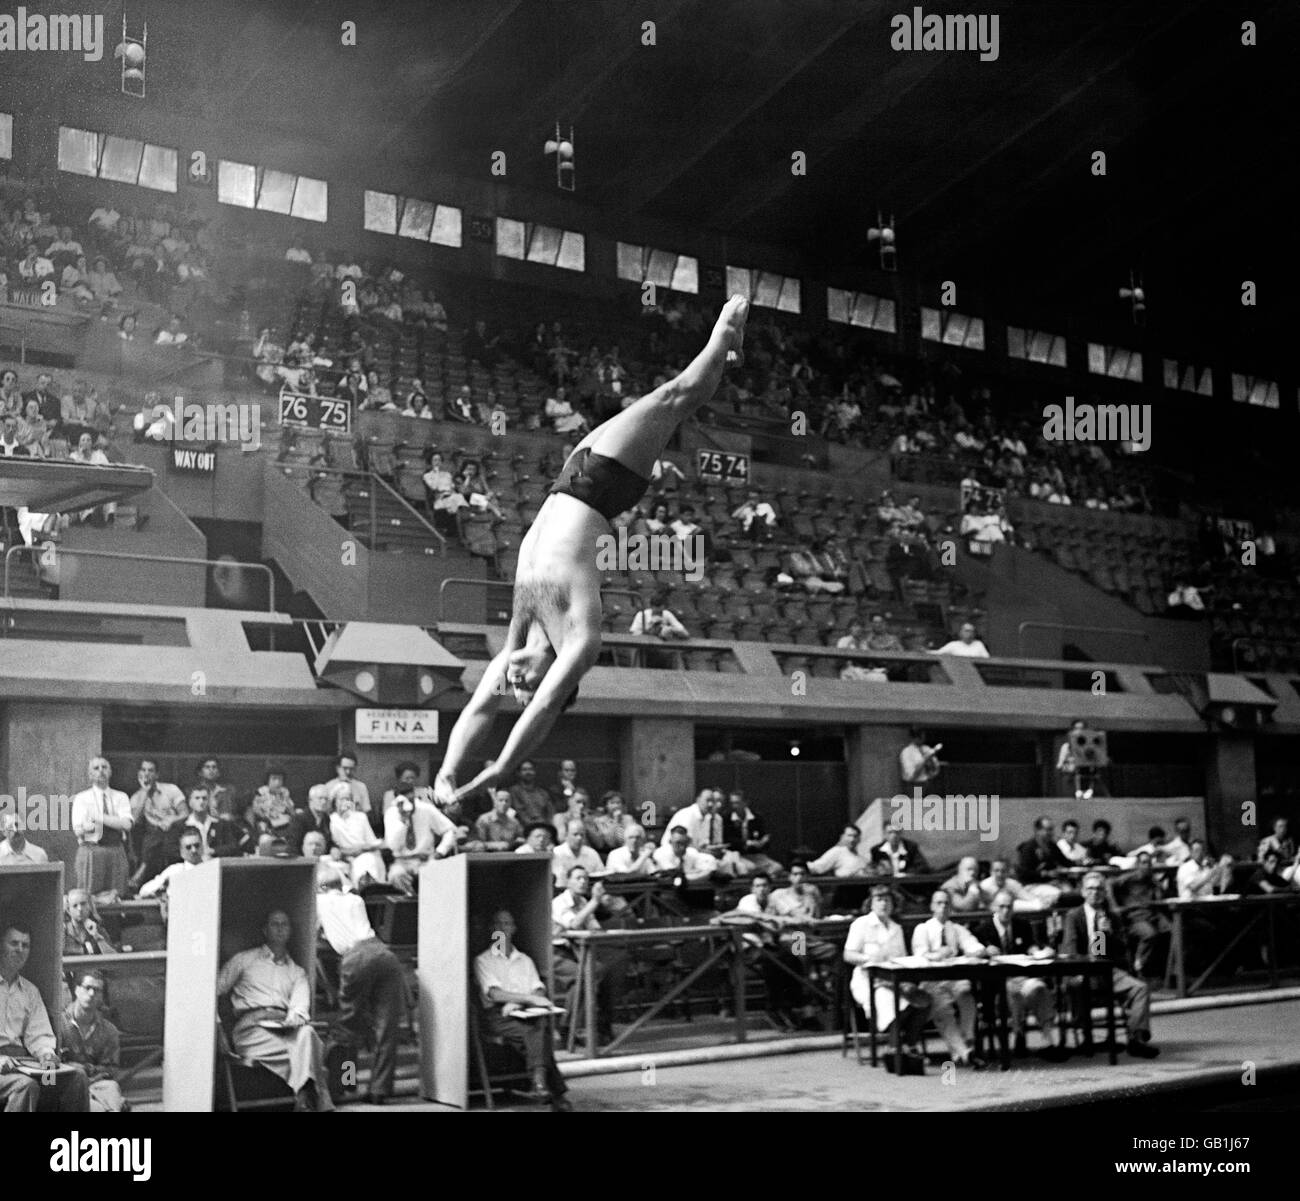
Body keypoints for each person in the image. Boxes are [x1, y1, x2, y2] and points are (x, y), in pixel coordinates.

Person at [434, 298, 750, 806]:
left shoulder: (519, 639)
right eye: (526, 687)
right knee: (675, 397)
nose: (513, 681)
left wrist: (448, 773)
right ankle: (724, 337)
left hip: (571, 479)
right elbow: (541, 714)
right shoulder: (579, 640)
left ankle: (723, 357)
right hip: (606, 485)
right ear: (553, 683)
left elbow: (478, 708)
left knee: (669, 398)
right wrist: (501, 771)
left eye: (513, 688)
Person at [215, 910, 334, 1110]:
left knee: (307, 1032)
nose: (280, 928)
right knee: (312, 1052)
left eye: (284, 924)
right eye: (274, 924)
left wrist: (295, 1017)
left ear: (290, 931)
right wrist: (217, 1026)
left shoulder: (297, 972)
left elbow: (299, 1006)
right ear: (265, 930)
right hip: (251, 1029)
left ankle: (305, 1098)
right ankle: (312, 1096)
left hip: (283, 1027)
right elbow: (213, 990)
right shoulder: (245, 960)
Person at [316, 873, 409, 1106]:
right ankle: (378, 1090)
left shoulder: (320, 901)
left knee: (347, 1028)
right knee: (386, 1028)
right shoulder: (355, 900)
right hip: (383, 954)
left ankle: (337, 1087)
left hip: (355, 958)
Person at [474, 909, 571, 1110]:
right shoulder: (484, 960)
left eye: (507, 924)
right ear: (492, 929)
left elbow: (538, 988)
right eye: (498, 924)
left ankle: (540, 1083)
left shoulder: (524, 960)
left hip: (525, 1012)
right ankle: (555, 1093)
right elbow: (495, 994)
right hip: (499, 1015)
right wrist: (526, 999)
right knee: (538, 1031)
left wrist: (520, 1003)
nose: (503, 929)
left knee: (536, 1026)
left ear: (514, 929)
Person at [1061, 873, 1159, 1057]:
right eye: (1090, 889)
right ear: (1083, 892)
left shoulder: (1112, 917)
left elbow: (1122, 949)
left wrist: (1107, 935)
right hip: (1084, 970)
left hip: (1107, 971)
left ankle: (1136, 1038)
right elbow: (1071, 948)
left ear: (1105, 893)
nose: (1095, 893)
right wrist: (1083, 967)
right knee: (1076, 983)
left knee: (1140, 989)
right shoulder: (1074, 916)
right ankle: (1086, 1038)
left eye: (1099, 889)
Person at [0, 923, 91, 1112]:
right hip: (4, 1071)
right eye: (14, 943)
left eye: (25, 945)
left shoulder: (29, 991)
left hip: (22, 1064)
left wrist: (46, 1054)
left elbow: (39, 1034)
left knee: (74, 1078)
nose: (20, 950)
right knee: (25, 1086)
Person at [974, 892, 1069, 1059]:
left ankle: (1049, 1039)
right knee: (1013, 992)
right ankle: (1019, 1034)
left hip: (1024, 977)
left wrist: (1039, 952)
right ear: (994, 908)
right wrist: (984, 951)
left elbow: (1031, 946)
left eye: (1009, 907)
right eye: (1001, 907)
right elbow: (975, 952)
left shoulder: (1022, 925)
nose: (1005, 910)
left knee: (1040, 989)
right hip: (999, 982)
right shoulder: (983, 930)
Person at [911, 891, 991, 1068]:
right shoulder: (923, 929)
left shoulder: (956, 929)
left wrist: (979, 950)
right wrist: (938, 954)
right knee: (943, 1010)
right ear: (932, 906)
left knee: (966, 994)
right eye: (939, 903)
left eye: (946, 903)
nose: (943, 907)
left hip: (954, 977)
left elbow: (972, 944)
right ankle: (965, 1052)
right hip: (931, 980)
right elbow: (920, 955)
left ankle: (966, 1042)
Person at [58, 970, 128, 1111]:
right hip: (66, 1086)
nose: (91, 994)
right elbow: (46, 1063)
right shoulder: (58, 1024)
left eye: (97, 990)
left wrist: (89, 1069)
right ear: (76, 990)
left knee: (111, 1089)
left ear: (102, 996)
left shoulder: (109, 1031)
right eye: (87, 988)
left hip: (97, 1085)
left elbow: (112, 1069)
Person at [71, 755, 134, 895]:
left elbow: (127, 825)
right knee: (89, 895)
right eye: (96, 768)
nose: (101, 771)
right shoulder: (82, 798)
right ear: (90, 774)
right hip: (91, 851)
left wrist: (97, 817)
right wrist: (114, 821)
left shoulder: (121, 796)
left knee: (117, 895)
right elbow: (79, 831)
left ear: (110, 772)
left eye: (104, 767)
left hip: (116, 850)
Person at [383, 782, 458, 893]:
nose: (411, 804)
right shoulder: (391, 814)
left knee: (438, 874)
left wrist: (439, 852)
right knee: (396, 875)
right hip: (402, 861)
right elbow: (392, 846)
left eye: (412, 799)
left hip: (426, 859)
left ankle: (430, 904)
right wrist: (403, 821)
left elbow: (451, 831)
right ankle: (411, 902)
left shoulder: (426, 809)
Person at [126, 759, 187, 891]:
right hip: (153, 836)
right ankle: (144, 871)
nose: (146, 773)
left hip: (174, 831)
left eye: (150, 770)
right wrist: (144, 793)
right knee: (150, 836)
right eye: (143, 770)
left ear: (157, 774)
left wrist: (172, 820)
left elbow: (185, 813)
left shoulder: (171, 789)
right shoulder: (136, 797)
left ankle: (141, 871)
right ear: (139, 773)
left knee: (158, 838)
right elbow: (134, 821)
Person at [1110, 851, 1172, 975]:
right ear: (1138, 864)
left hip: (1153, 913)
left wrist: (1157, 884)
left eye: (1149, 863)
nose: (1147, 866)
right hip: (1135, 916)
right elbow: (1108, 883)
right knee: (1150, 934)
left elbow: (1160, 897)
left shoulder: (1151, 880)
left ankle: (1171, 972)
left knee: (1174, 931)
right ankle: (1139, 964)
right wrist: (1114, 906)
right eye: (1144, 863)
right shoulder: (1129, 878)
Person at [330, 786, 386, 887]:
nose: (346, 802)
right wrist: (351, 852)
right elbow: (334, 847)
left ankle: (371, 890)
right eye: (342, 799)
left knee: (369, 860)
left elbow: (372, 841)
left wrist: (364, 848)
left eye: (348, 799)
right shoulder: (331, 820)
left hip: (365, 853)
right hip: (345, 856)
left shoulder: (361, 817)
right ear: (335, 802)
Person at [139, 830, 205, 899]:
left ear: (202, 847)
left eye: (197, 846)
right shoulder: (174, 871)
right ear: (181, 852)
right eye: (188, 847)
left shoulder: (212, 870)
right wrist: (163, 885)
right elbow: (144, 891)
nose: (194, 850)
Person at [652, 826, 719, 883]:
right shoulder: (661, 853)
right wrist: (695, 872)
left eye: (685, 843)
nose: (682, 847)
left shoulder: (692, 852)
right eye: (678, 843)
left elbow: (708, 870)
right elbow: (673, 876)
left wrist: (687, 875)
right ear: (670, 842)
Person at [63, 889, 118, 956]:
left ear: (89, 906)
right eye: (75, 906)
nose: (80, 909)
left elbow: (113, 959)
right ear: (69, 910)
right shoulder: (63, 932)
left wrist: (97, 937)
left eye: (83, 904)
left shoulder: (98, 929)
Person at [551, 820, 604, 888]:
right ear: (566, 835)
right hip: (562, 892)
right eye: (575, 834)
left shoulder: (592, 853)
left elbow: (602, 875)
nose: (579, 838)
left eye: (582, 835)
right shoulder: (556, 853)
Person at [507, 761, 553, 828]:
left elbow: (550, 812)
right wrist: (535, 826)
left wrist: (547, 825)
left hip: (544, 827)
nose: (528, 772)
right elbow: (520, 812)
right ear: (518, 773)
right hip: (523, 829)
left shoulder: (543, 793)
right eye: (524, 770)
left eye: (531, 769)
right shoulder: (514, 791)